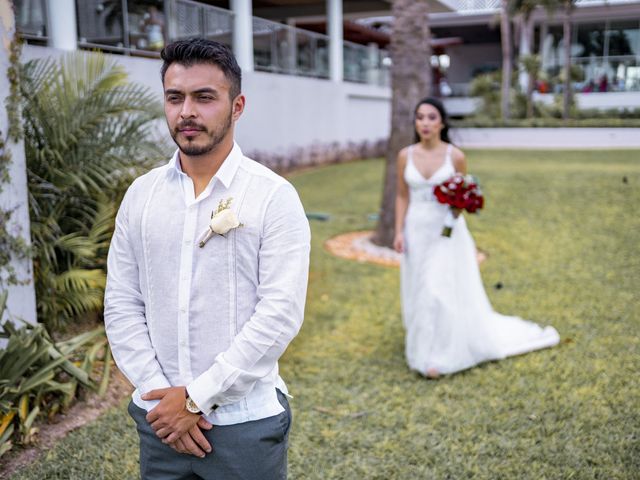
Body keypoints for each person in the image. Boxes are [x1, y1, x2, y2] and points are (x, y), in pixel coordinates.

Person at [104, 38, 310, 479]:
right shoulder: (141, 196)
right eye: (175, 97)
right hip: (159, 423)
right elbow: (122, 303)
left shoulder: (273, 197)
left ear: (237, 106)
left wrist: (195, 398)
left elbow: (279, 315)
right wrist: (165, 399)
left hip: (243, 426)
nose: (186, 112)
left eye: (204, 97)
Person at [393, 97, 559, 379]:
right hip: (416, 229)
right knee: (419, 287)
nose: (425, 123)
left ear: (442, 122)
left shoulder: (455, 156)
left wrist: (458, 208)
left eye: (431, 117)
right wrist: (398, 230)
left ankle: (435, 356)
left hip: (446, 232)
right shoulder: (404, 156)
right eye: (420, 117)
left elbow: (464, 192)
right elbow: (401, 195)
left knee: (438, 289)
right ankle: (425, 338)